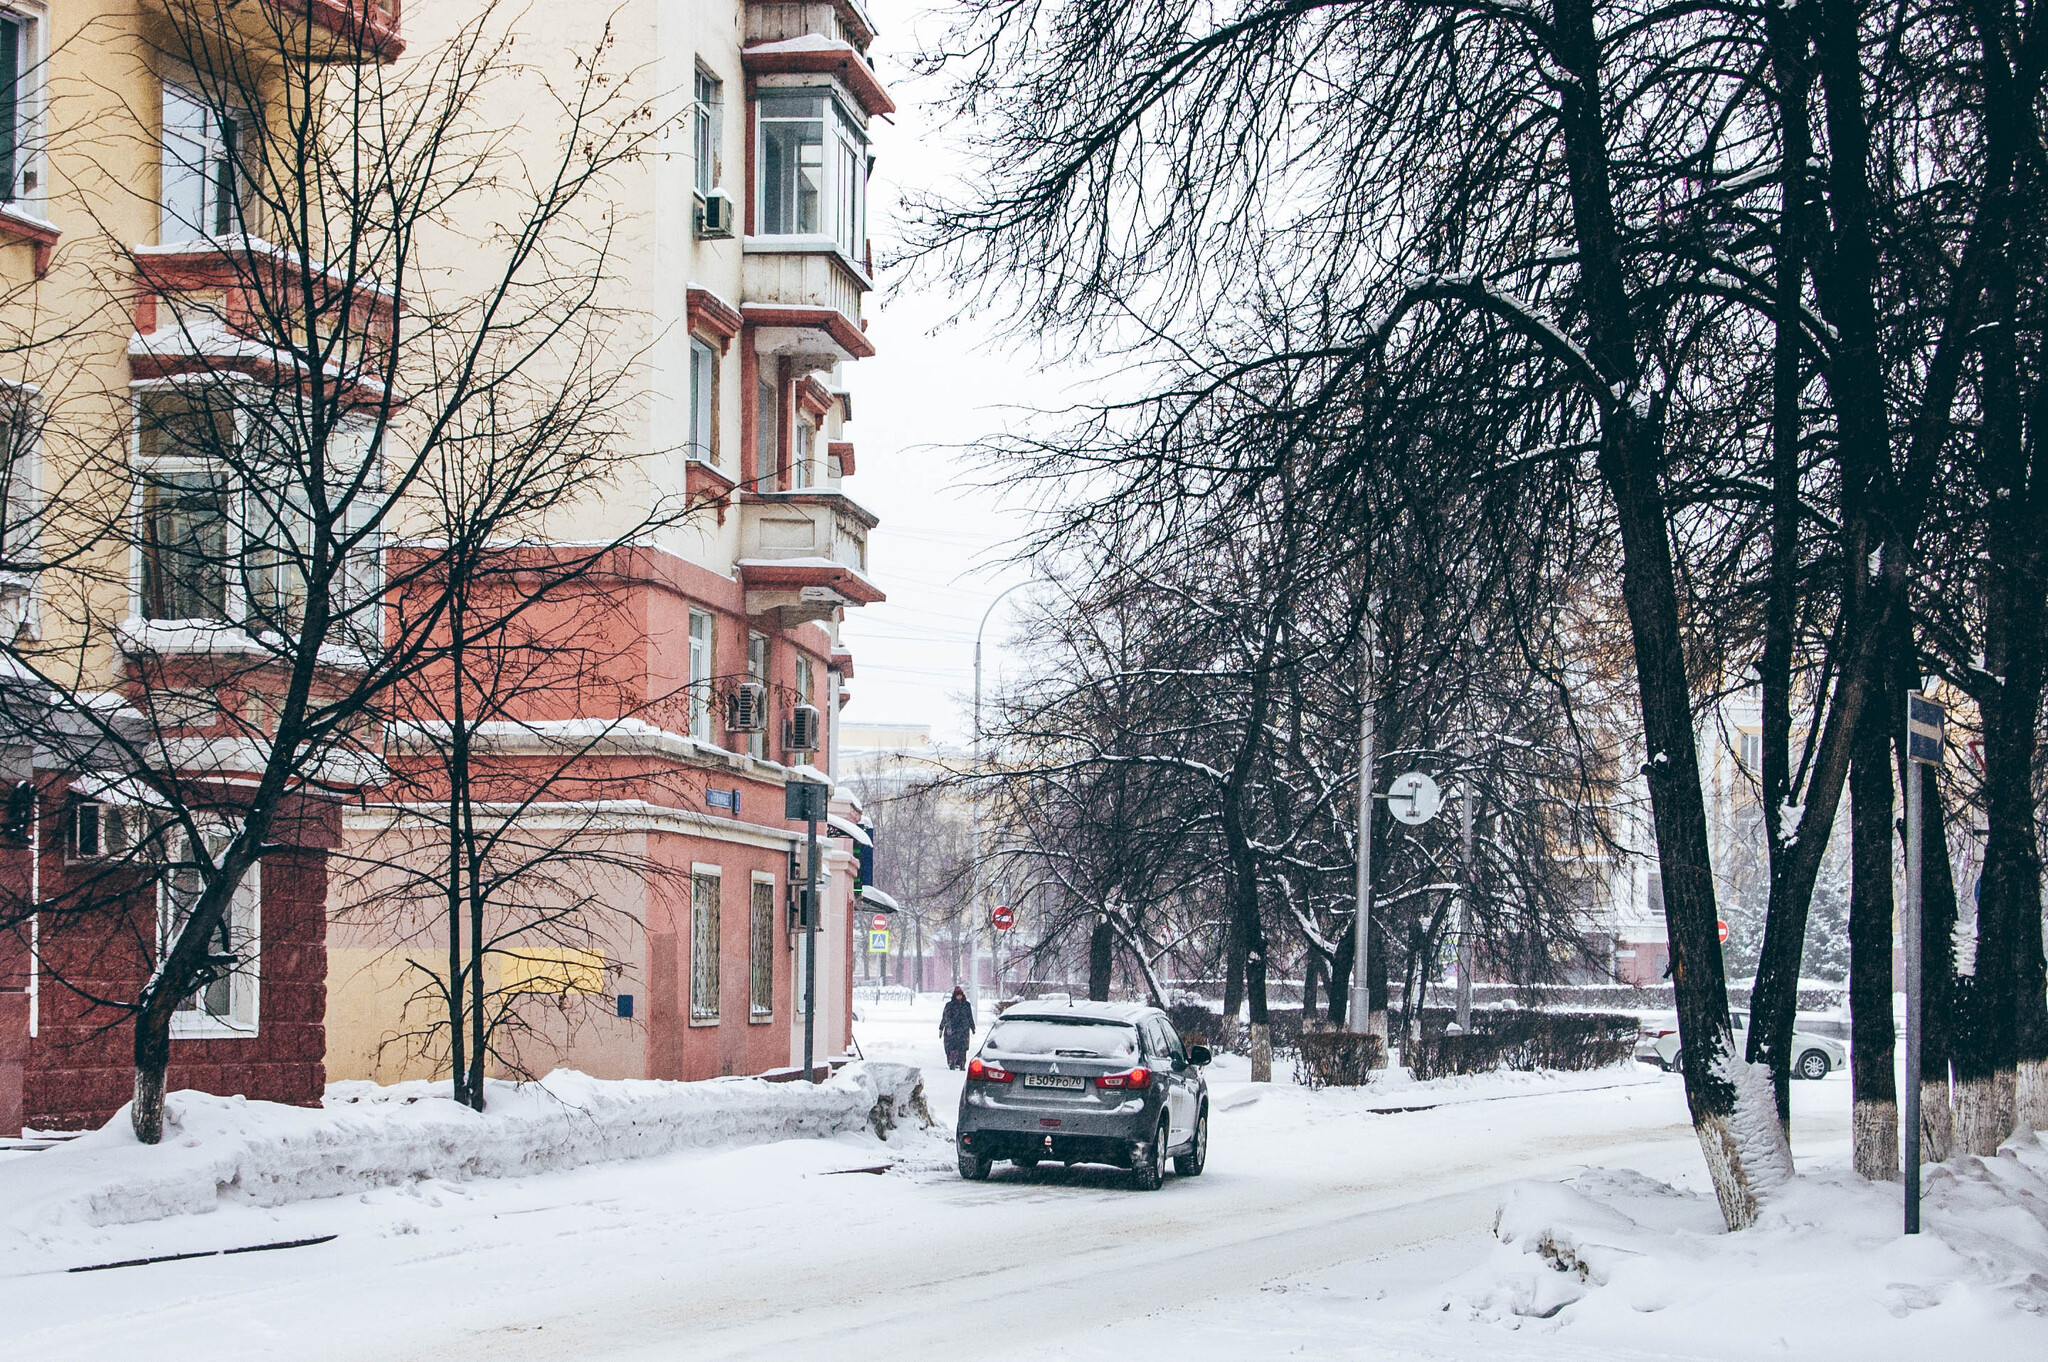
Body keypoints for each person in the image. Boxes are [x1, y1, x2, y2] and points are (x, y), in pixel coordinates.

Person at [940, 986, 976, 1070]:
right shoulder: (950, 1005)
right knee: (953, 1047)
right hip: (953, 1029)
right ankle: (952, 1062)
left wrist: (972, 1027)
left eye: (960, 995)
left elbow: (970, 1016)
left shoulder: (966, 1005)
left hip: (963, 1029)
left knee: (963, 1048)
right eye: (957, 995)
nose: (959, 997)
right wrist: (941, 1027)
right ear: (954, 996)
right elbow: (945, 1017)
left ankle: (962, 1063)